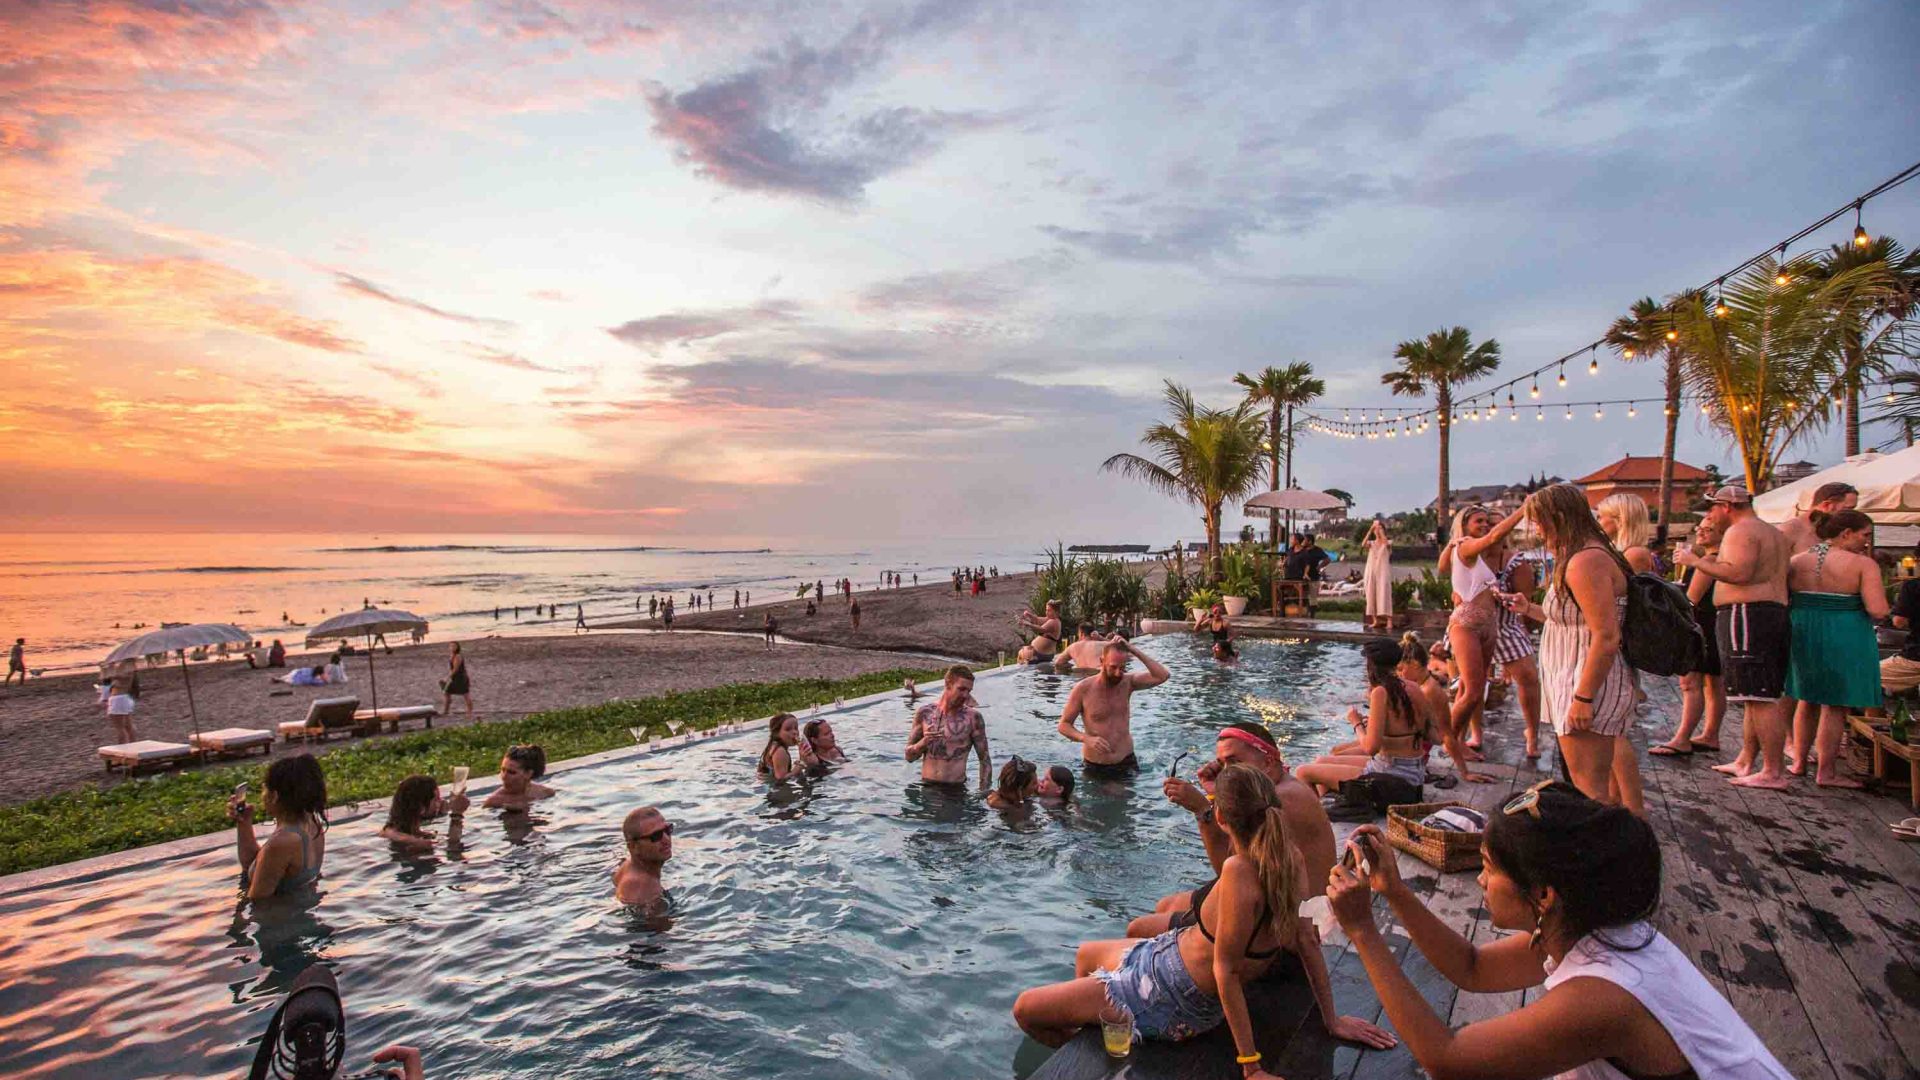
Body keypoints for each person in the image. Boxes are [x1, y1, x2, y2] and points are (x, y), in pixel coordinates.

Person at [1325, 781, 1794, 1080]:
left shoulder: (1604, 997)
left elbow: (1448, 1061)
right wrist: (1397, 892)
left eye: (1488, 869)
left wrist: (1364, 931)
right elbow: (1473, 968)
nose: (1480, 882)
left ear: (1544, 895)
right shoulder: (1592, 926)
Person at [1013, 765, 1396, 1066]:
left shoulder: (1238, 873)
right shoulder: (1288, 859)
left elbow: (1225, 971)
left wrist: (1251, 1065)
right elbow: (1307, 940)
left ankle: (1102, 1050)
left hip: (1168, 997)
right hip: (1169, 960)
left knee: (1026, 1009)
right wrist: (1332, 1019)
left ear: (1224, 820)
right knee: (1086, 954)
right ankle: (1098, 1034)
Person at [1503, 483, 1642, 813]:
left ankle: (1603, 857)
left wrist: (1583, 698)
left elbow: (1606, 636)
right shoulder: (1584, 556)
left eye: (1539, 522)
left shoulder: (1585, 562)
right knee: (1595, 784)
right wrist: (1529, 609)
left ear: (1559, 518)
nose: (1537, 530)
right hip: (1574, 677)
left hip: (1584, 680)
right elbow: (1573, 621)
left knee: (1588, 788)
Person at [1673, 486, 1794, 789]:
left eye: (1712, 510)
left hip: (1747, 614)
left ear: (1727, 506)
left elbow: (1738, 573)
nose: (1710, 518)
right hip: (1767, 613)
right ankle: (1747, 760)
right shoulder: (1773, 533)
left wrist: (1695, 561)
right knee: (1753, 695)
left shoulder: (1740, 532)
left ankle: (1772, 770)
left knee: (1760, 695)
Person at [1783, 509, 1887, 788]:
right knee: (1835, 704)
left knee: (1806, 698)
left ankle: (1798, 762)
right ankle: (1826, 771)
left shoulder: (1796, 561)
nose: (1867, 541)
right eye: (1865, 535)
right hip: (1845, 632)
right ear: (1846, 533)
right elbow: (1878, 610)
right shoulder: (1863, 565)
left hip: (1802, 629)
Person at [1439, 504, 1525, 753]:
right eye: (1479, 521)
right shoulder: (1466, 547)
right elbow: (1495, 536)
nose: (1485, 525)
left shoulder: (1474, 552)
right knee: (1474, 690)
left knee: (1471, 688)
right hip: (1468, 622)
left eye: (1487, 521)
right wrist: (1523, 510)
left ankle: (1459, 740)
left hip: (1487, 624)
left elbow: (1449, 570)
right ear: (1465, 525)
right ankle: (1451, 744)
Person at [1297, 638, 1433, 795]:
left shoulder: (1380, 692)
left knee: (1302, 772)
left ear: (1371, 664)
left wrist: (1356, 723)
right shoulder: (1414, 687)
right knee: (1320, 761)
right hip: (1411, 774)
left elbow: (1370, 748)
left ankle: (1318, 818)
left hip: (1393, 779)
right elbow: (1434, 736)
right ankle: (1327, 809)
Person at [1656, 519, 1728, 757]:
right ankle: (1710, 734)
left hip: (1698, 625)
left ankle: (1682, 737)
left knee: (1690, 683)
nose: (1701, 532)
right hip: (1714, 624)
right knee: (1713, 683)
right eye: (1701, 528)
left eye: (1709, 529)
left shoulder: (1708, 561)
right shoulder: (1720, 559)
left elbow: (1691, 599)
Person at [1057, 638, 1171, 777]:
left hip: (1127, 760)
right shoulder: (1083, 689)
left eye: (1122, 668)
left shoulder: (1128, 682)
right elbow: (1064, 725)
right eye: (1113, 667)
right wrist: (1086, 738)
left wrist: (1132, 649)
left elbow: (1163, 675)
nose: (1118, 673)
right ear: (1101, 661)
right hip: (1097, 764)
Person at [227, 753, 328, 900]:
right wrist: (244, 823)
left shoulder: (282, 842)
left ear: (274, 796)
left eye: (264, 789)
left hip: (282, 920)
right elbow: (255, 865)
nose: (262, 795)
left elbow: (256, 902)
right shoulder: (313, 825)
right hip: (301, 913)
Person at [1491, 541, 1545, 760]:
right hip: (1472, 625)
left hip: (1505, 625)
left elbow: (1525, 601)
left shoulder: (1515, 562)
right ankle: (1471, 735)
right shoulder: (1467, 554)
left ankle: (1532, 732)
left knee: (1529, 678)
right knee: (1469, 686)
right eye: (1483, 522)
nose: (1488, 528)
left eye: (1493, 524)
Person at [906, 665, 991, 788]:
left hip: (955, 791)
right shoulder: (924, 713)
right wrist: (923, 743)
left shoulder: (973, 718)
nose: (966, 695)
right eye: (961, 689)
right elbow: (909, 757)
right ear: (948, 685)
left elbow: (985, 760)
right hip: (927, 788)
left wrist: (983, 792)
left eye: (969, 691)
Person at [378, 774, 468, 851]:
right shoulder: (417, 842)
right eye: (436, 800)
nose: (441, 802)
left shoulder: (392, 829)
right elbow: (453, 849)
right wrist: (457, 815)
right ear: (421, 808)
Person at [614, 806, 673, 908]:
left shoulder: (627, 865)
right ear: (633, 846)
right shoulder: (647, 890)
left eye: (667, 830)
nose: (666, 839)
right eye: (655, 836)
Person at [1884, 545, 1920, 697]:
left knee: (1865, 675)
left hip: (1915, 659)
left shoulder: (1912, 584)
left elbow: (1899, 622)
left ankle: (1876, 719)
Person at [483, 744, 552, 810]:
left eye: (511, 772)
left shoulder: (544, 792)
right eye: (503, 770)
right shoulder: (495, 801)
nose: (504, 776)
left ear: (528, 774)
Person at [1362, 519, 1393, 631]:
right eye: (1376, 529)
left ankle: (1389, 620)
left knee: (1384, 593)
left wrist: (1381, 531)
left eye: (1379, 528)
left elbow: (1385, 543)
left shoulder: (1388, 543)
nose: (1377, 530)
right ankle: (1376, 620)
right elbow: (1363, 544)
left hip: (1382, 571)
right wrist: (1371, 529)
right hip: (1371, 570)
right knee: (1371, 593)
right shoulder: (1371, 543)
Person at [1017, 599, 1064, 664]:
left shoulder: (1054, 621)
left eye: (1049, 610)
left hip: (1041, 654)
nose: (1046, 612)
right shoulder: (1050, 619)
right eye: (1046, 610)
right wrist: (1029, 615)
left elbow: (1041, 629)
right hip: (1042, 653)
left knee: (1021, 653)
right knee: (1023, 654)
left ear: (1056, 612)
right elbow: (1038, 620)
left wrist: (1028, 624)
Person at [758, 712, 801, 781]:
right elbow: (781, 778)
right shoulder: (780, 751)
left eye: (796, 728)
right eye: (788, 729)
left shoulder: (773, 745)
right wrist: (798, 768)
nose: (794, 732)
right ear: (777, 733)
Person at [99, 672, 140, 743]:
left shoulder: (115, 676)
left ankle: (123, 746)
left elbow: (106, 682)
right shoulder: (129, 673)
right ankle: (133, 744)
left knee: (120, 727)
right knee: (128, 725)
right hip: (127, 698)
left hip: (118, 699)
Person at [440, 642, 472, 719]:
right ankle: (446, 711)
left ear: (457, 647)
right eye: (451, 646)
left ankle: (469, 713)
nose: (452, 647)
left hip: (461, 678)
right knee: (446, 692)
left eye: (454, 646)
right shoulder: (452, 656)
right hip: (455, 678)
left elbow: (455, 669)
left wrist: (447, 678)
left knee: (466, 695)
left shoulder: (458, 656)